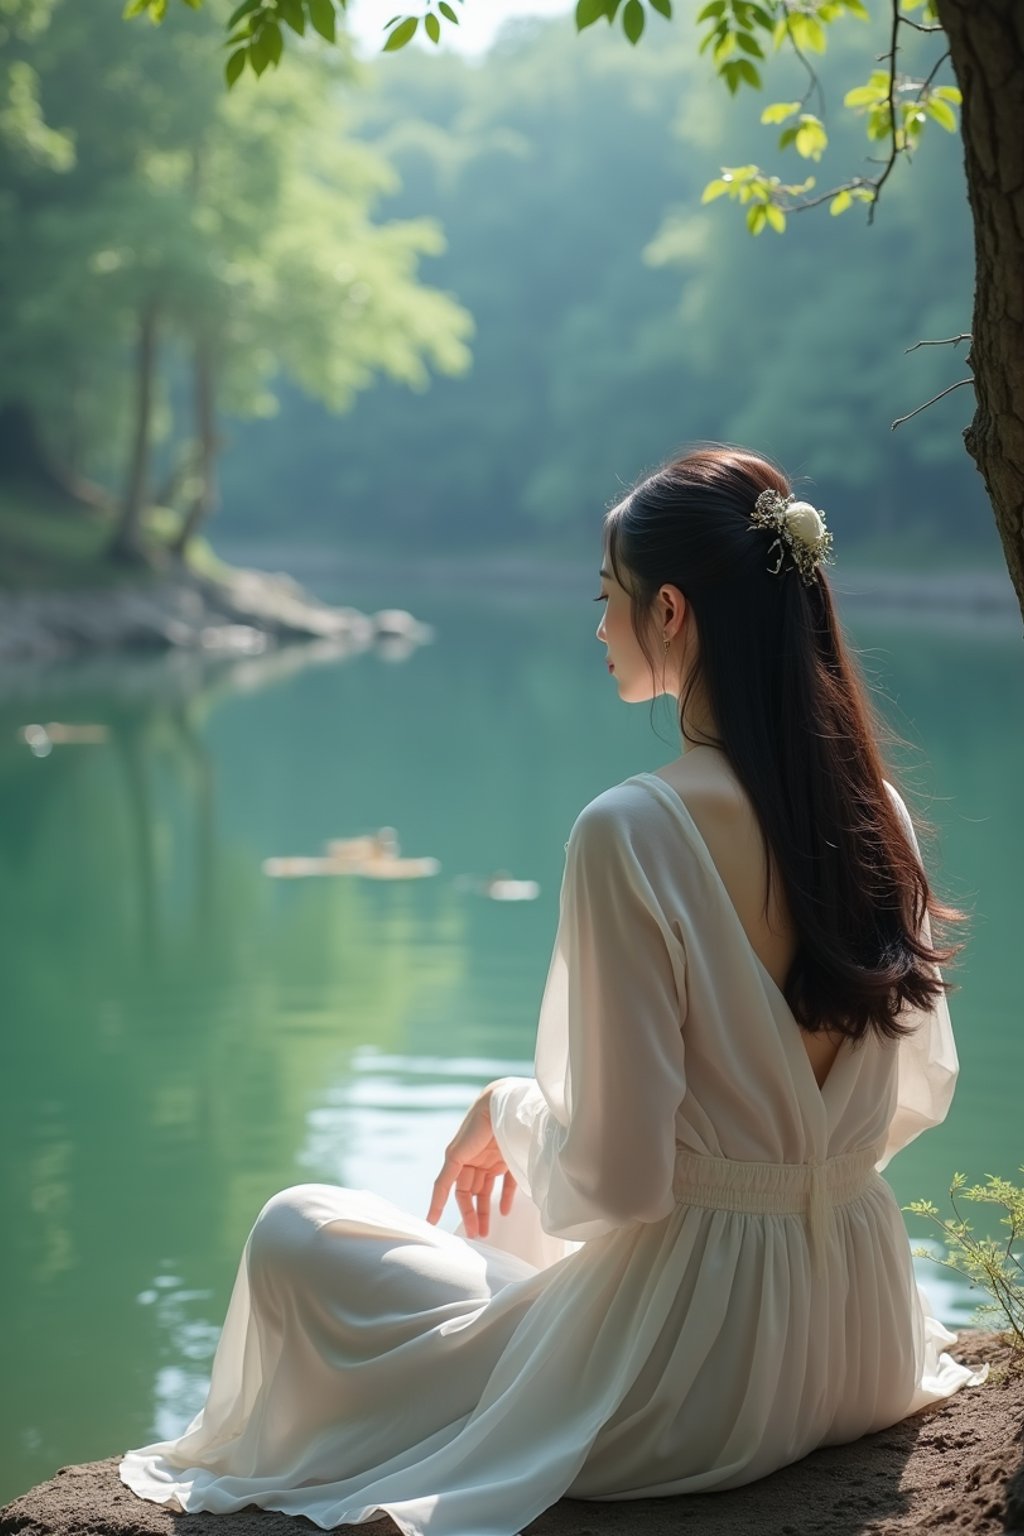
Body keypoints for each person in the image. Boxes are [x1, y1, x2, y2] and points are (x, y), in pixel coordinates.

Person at [119, 446, 986, 1535]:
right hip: (858, 1337)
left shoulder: (635, 827)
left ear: (668, 611)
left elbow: (620, 1185)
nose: (596, 625)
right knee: (541, 1215)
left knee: (299, 1230)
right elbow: (911, 1097)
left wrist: (507, 1109)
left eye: (606, 598)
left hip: (696, 1399)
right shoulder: (880, 817)